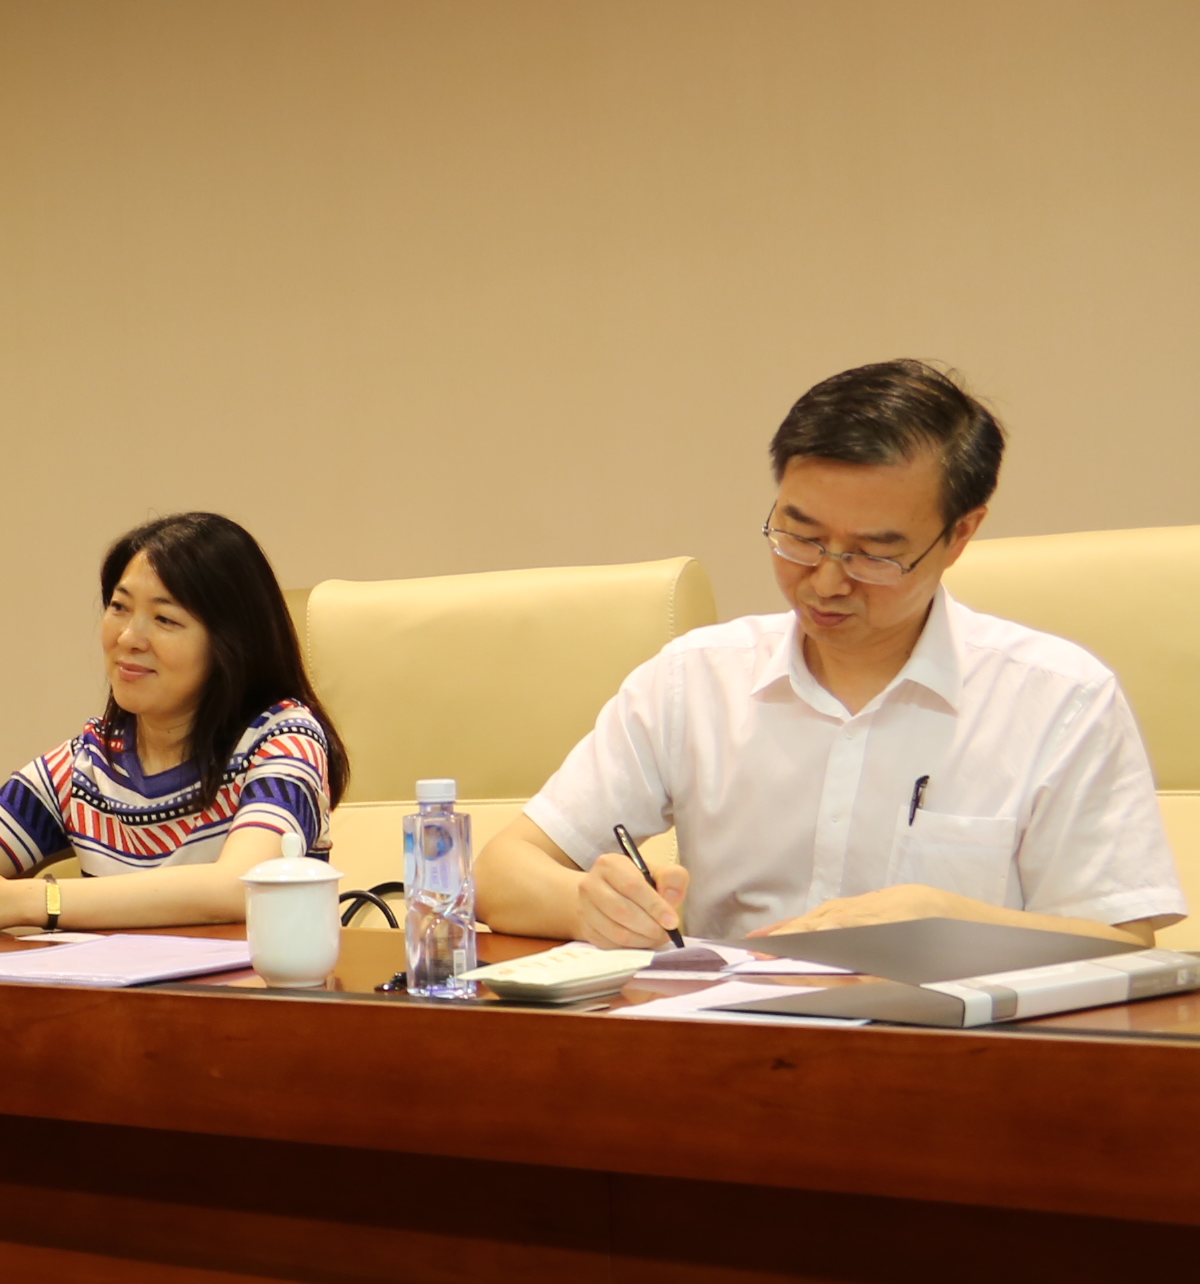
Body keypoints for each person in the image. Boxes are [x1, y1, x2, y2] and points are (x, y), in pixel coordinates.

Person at [480, 360, 1181, 947]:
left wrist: (946, 922)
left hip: (956, 1054)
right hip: (730, 1043)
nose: (825, 581)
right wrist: (591, 907)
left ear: (961, 534)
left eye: (874, 553)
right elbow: (502, 872)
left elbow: (1123, 941)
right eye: (801, 536)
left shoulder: (1059, 699)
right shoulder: (696, 680)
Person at [0, 512, 345, 931]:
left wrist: (22, 901)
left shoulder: (283, 738)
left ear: (229, 643)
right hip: (112, 998)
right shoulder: (86, 766)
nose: (128, 637)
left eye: (165, 619)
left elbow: (243, 885)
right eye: (119, 607)